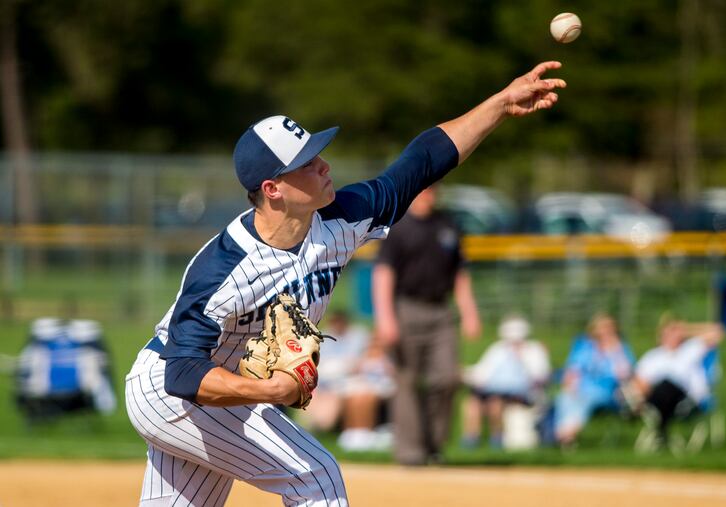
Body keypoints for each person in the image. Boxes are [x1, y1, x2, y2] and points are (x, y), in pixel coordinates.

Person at [125, 61, 566, 506]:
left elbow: (422, 161)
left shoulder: (342, 218)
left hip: (212, 393)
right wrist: (269, 390)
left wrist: (500, 104)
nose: (324, 165)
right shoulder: (223, 270)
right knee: (316, 477)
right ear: (273, 189)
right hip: (172, 392)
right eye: (307, 163)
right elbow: (181, 372)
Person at [371, 183, 481, 466]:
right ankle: (410, 452)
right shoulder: (399, 228)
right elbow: (383, 273)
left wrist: (469, 312)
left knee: (447, 377)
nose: (427, 195)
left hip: (441, 311)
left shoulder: (447, 225)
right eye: (422, 190)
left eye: (432, 190)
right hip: (406, 308)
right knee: (406, 380)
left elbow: (460, 273)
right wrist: (385, 318)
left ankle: (435, 444)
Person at [298, 310, 395, 452]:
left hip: (364, 382)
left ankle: (363, 431)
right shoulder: (322, 338)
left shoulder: (360, 338)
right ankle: (354, 433)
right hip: (340, 383)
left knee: (363, 395)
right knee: (354, 396)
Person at [627, 315, 725, 447]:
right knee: (662, 387)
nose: (671, 335)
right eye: (668, 332)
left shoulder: (691, 348)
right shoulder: (653, 356)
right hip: (657, 399)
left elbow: (718, 331)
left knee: (667, 385)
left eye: (674, 332)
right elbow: (640, 381)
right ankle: (661, 431)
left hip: (687, 399)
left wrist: (685, 329)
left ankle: (661, 431)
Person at [460, 315, 551, 450]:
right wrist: (463, 373)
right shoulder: (498, 349)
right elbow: (482, 372)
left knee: (495, 403)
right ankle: (471, 439)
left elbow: (541, 376)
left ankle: (497, 439)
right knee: (472, 404)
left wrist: (522, 360)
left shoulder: (534, 350)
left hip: (522, 395)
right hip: (493, 391)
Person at [553, 313, 635, 447]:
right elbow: (573, 369)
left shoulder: (620, 349)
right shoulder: (584, 346)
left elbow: (625, 374)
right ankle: (564, 435)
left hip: (606, 392)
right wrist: (570, 385)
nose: (605, 332)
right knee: (564, 397)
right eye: (601, 328)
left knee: (586, 400)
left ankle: (566, 434)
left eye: (608, 328)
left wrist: (614, 351)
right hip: (579, 389)